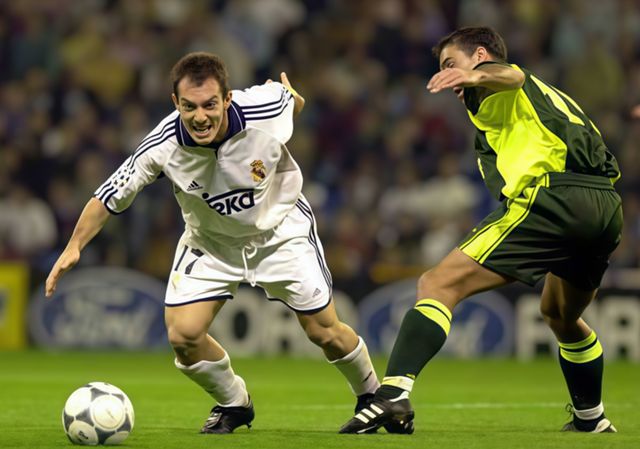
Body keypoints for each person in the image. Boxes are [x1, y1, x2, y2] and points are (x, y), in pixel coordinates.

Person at [45, 52, 381, 434]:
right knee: (183, 336)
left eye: (209, 104)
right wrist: (74, 246)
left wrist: (292, 97)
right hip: (210, 242)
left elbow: (293, 103)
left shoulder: (265, 107)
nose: (200, 116)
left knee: (324, 331)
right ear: (175, 102)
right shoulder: (162, 144)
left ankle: (374, 396)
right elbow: (109, 194)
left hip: (279, 233)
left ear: (227, 98)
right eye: (189, 106)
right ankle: (235, 403)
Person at [340, 27, 623, 434]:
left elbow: (512, 75)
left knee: (437, 284)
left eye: (450, 64)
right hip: (604, 208)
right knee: (560, 315)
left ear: (479, 54)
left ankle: (392, 395)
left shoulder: (497, 83)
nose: (448, 75)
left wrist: (475, 75)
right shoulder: (548, 99)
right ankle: (592, 418)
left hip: (555, 198)